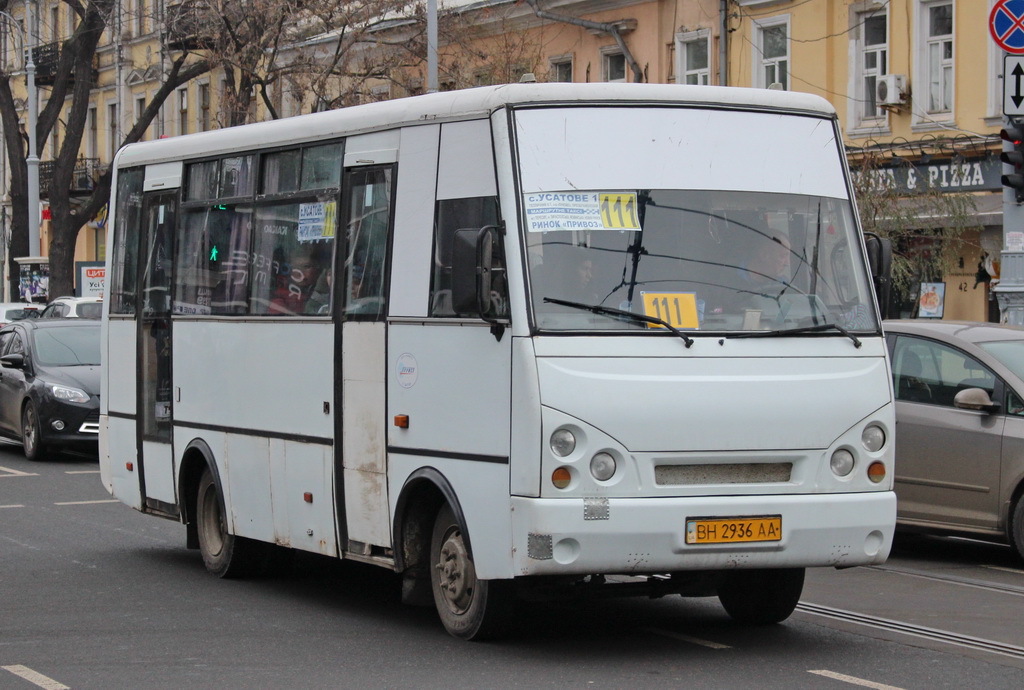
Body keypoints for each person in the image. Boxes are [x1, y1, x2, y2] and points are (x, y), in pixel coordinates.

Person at [269, 243, 329, 315]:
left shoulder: (324, 289)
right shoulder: (280, 299)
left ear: (318, 268)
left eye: (306, 266)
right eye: (295, 267)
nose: (300, 272)